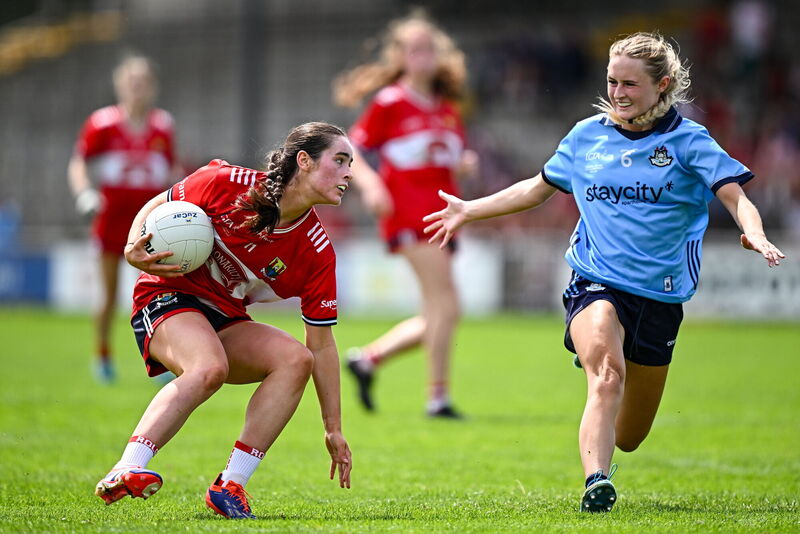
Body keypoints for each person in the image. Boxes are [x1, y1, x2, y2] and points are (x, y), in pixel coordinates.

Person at [423, 32, 784, 512]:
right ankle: (596, 481)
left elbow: (735, 196)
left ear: (663, 85)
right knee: (607, 376)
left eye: (630, 84)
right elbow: (536, 188)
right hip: (596, 281)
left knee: (630, 436)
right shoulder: (586, 135)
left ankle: (603, 382)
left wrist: (753, 232)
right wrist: (470, 209)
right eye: (612, 81)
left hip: (661, 296)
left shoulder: (690, 141)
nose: (618, 93)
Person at [93, 122, 354, 519]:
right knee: (208, 367)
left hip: (225, 315)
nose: (349, 172)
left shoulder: (317, 251)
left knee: (297, 359)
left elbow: (321, 344)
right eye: (339, 160)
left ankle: (230, 485)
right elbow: (158, 203)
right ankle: (126, 468)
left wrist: (333, 427)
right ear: (304, 161)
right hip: (164, 296)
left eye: (350, 163)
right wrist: (132, 247)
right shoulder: (225, 182)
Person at [333, 11, 478, 418]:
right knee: (446, 304)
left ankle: (368, 359)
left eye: (429, 47)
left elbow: (455, 156)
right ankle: (438, 398)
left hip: (443, 213)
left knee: (441, 309)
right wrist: (371, 184)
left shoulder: (447, 107)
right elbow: (353, 149)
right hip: (410, 212)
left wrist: (464, 163)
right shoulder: (390, 102)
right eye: (414, 48)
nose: (423, 55)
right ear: (400, 55)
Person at [68, 55, 181, 383]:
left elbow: (172, 167)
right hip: (111, 220)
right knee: (108, 293)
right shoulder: (102, 123)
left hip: (149, 222)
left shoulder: (163, 125)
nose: (137, 88)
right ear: (120, 85)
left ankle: (162, 358)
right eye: (132, 81)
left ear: (153, 87)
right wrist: (84, 193)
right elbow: (78, 162)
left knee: (156, 291)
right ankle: (102, 355)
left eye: (143, 82)